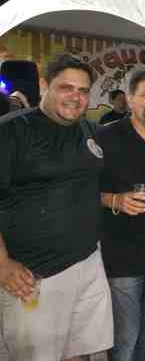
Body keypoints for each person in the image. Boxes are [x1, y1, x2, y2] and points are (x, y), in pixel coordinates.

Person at [0, 55, 113, 361]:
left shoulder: (88, 130)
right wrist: (3, 263)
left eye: (83, 90)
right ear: (43, 85)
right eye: (66, 87)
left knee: (81, 352)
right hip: (34, 274)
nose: (76, 97)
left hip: (88, 261)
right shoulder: (12, 131)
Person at [96, 68, 145, 361]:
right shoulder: (104, 137)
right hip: (122, 254)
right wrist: (114, 199)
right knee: (125, 335)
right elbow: (78, 189)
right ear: (129, 99)